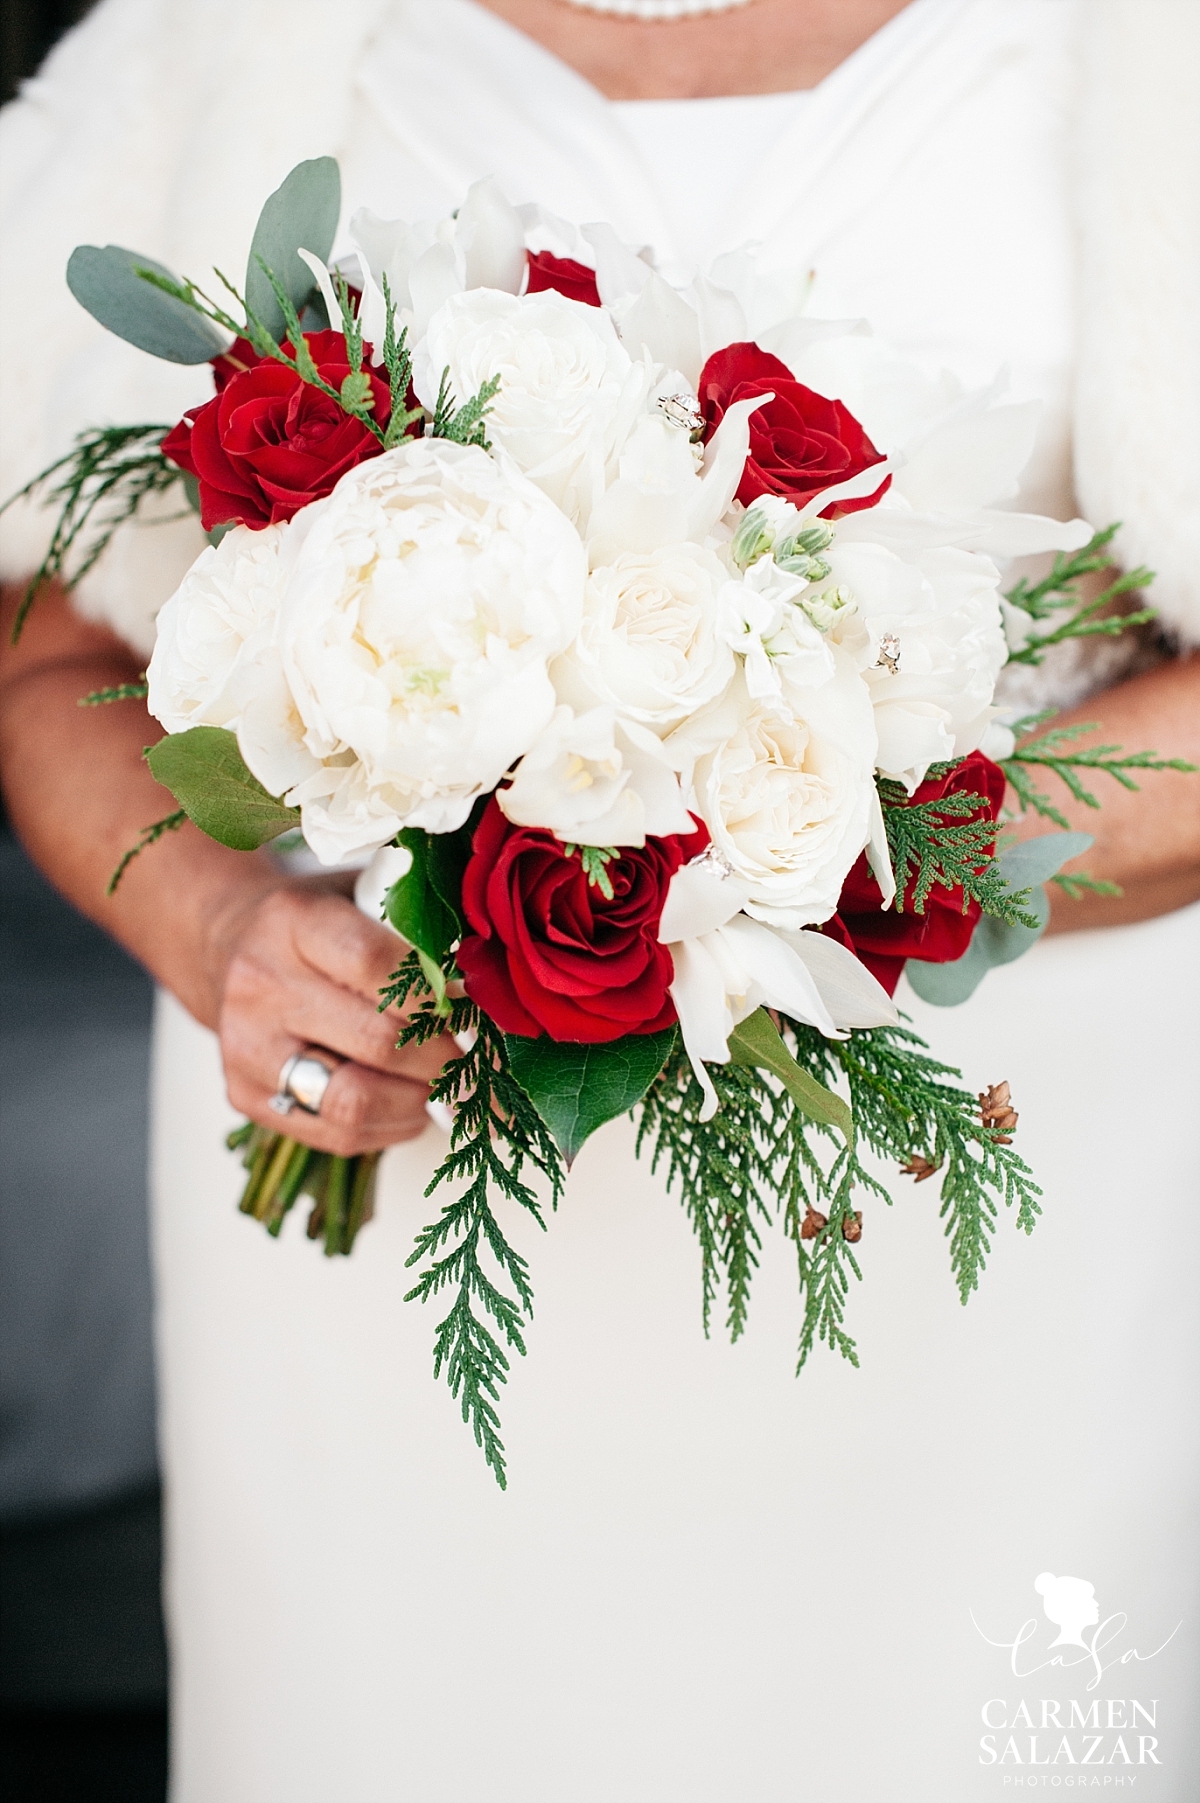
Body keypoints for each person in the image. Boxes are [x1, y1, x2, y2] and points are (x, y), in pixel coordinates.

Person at [1, 1, 1197, 1796]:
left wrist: (808, 838)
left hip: (988, 1209)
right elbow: (51, 647)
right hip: (383, 1203)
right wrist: (221, 927)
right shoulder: (214, 42)